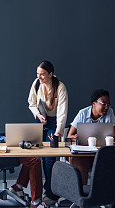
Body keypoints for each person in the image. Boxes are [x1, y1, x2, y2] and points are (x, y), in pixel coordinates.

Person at [28, 60, 68, 204]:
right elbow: (31, 103)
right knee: (37, 158)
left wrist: (58, 132)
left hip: (54, 122)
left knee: (49, 160)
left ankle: (51, 193)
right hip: (40, 120)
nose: (39, 77)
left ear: (51, 74)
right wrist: (38, 115)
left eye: (43, 75)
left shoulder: (60, 87)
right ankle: (40, 192)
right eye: (37, 74)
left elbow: (62, 112)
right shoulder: (37, 83)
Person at [67, 89, 115, 185]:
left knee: (109, 164)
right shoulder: (82, 113)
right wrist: (76, 137)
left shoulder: (110, 113)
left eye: (108, 104)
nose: (106, 107)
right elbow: (69, 135)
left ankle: (102, 194)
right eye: (103, 104)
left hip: (102, 152)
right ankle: (81, 195)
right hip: (84, 152)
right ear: (94, 103)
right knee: (80, 164)